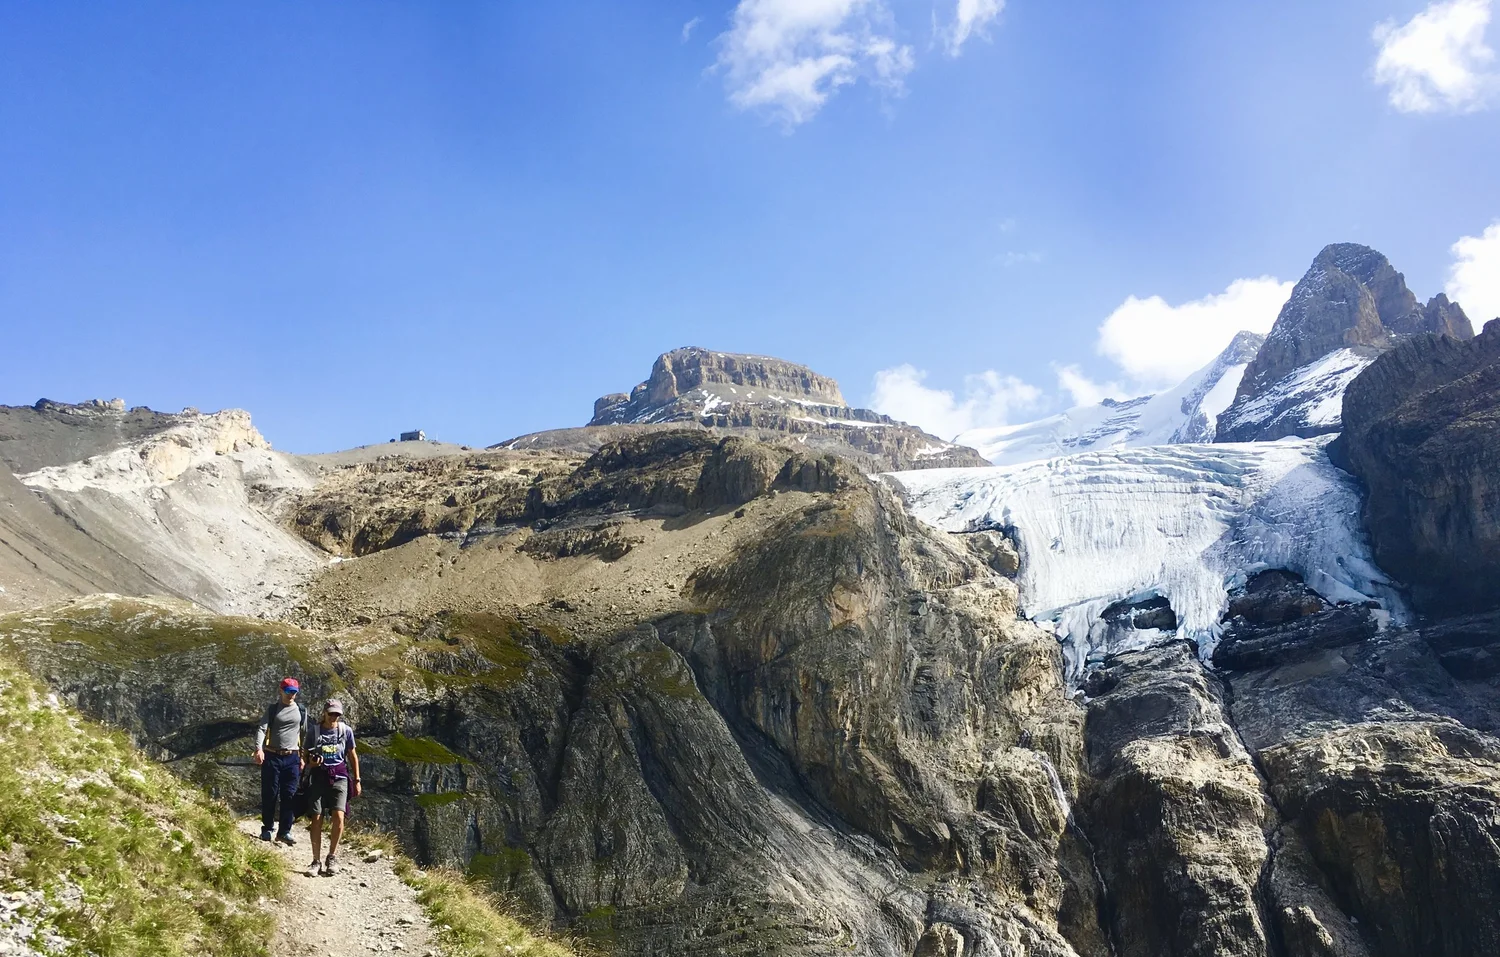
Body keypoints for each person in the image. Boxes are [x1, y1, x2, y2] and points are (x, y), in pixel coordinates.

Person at [303, 697, 361, 877]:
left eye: (337, 714)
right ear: (325, 713)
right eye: (331, 714)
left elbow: (352, 755)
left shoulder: (346, 731)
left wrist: (357, 779)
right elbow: (305, 756)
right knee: (317, 817)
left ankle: (332, 856)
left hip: (340, 776)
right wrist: (311, 762)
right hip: (319, 776)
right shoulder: (314, 731)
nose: (334, 717)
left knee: (339, 815)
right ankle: (315, 860)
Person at [253, 677, 306, 844]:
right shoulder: (273, 709)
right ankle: (267, 828)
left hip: (292, 757)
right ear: (281, 690)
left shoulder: (302, 711)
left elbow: (303, 734)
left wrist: (303, 756)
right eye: (288, 691)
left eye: (294, 692)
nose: (291, 695)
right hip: (272, 756)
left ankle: (285, 831)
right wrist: (259, 749)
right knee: (270, 794)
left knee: (289, 795)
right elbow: (262, 729)